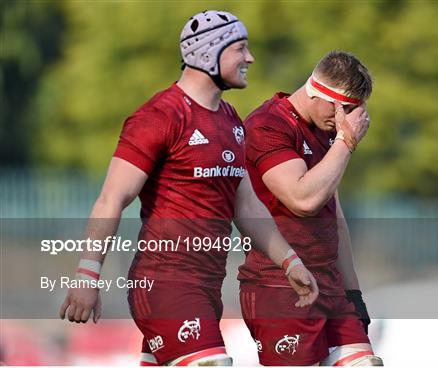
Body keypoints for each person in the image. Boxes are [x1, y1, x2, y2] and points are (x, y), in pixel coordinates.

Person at [58, 10, 318, 367]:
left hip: (207, 287)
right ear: (209, 54)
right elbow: (111, 198)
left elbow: (248, 207)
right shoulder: (160, 116)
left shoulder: (231, 121)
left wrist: (290, 261)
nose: (250, 58)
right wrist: (88, 275)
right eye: (240, 48)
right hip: (165, 283)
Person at [238, 51, 383, 366]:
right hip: (280, 287)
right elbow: (303, 199)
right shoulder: (268, 125)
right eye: (344, 110)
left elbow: (336, 218)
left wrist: (353, 294)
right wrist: (346, 142)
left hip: (330, 287)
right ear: (322, 95)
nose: (345, 121)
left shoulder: (328, 133)